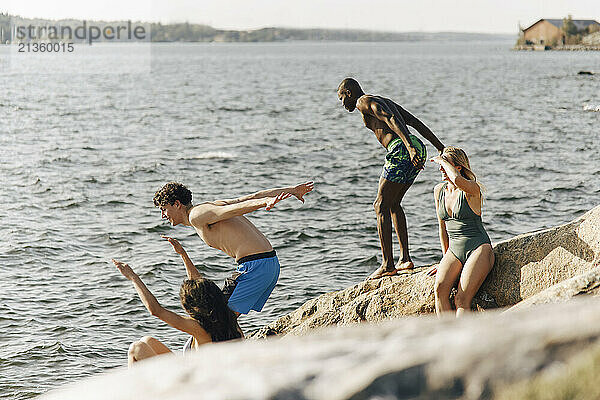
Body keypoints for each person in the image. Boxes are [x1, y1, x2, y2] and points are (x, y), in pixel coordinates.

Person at [153, 181, 314, 318]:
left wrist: (265, 202)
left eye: (164, 209)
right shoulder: (207, 207)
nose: (163, 215)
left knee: (217, 319)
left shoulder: (197, 214)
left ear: (177, 204)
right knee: (222, 319)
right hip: (268, 264)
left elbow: (236, 209)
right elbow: (251, 197)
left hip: (255, 267)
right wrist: (292, 191)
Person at [337, 78, 445, 279]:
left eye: (341, 98)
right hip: (417, 147)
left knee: (380, 205)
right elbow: (415, 122)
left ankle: (388, 264)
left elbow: (390, 118)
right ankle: (405, 259)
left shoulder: (363, 101)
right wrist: (439, 146)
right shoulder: (383, 99)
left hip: (403, 148)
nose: (342, 104)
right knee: (393, 204)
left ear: (349, 93)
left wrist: (409, 147)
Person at [112, 257, 242, 367]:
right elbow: (201, 288)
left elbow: (156, 310)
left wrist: (134, 278)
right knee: (148, 340)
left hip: (196, 387)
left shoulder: (198, 328)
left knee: (136, 348)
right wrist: (183, 255)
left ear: (191, 306)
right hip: (204, 375)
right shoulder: (228, 319)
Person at [427, 147, 495, 317]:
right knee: (440, 289)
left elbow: (457, 180)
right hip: (454, 250)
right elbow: (442, 227)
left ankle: (462, 340)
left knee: (461, 299)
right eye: (441, 165)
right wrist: (445, 260)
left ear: (458, 167)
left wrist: (441, 159)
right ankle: (447, 337)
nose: (441, 169)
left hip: (479, 248)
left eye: (445, 165)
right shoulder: (439, 191)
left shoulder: (472, 189)